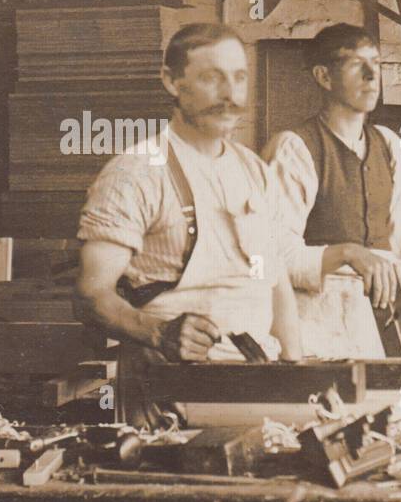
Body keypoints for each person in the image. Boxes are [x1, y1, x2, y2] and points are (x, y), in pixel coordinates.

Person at [75, 22, 300, 364]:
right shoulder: (136, 173)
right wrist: (158, 333)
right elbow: (91, 295)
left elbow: (277, 286)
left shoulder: (255, 171)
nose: (230, 95)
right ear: (171, 81)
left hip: (258, 379)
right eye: (212, 78)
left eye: (239, 77)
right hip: (171, 388)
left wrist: (296, 375)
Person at [263, 24, 401, 358]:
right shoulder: (293, 149)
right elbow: (273, 259)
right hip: (310, 332)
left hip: (378, 337)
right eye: (357, 64)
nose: (372, 76)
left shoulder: (391, 146)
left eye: (377, 62)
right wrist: (348, 252)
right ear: (324, 77)